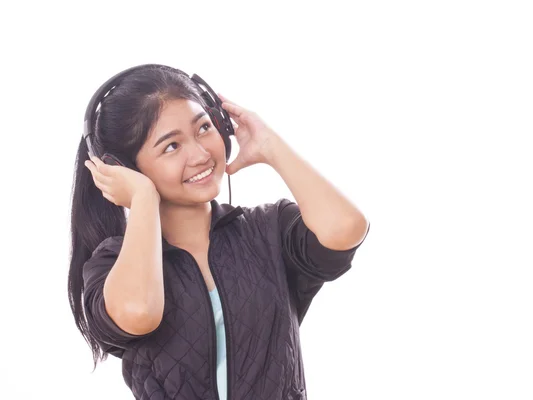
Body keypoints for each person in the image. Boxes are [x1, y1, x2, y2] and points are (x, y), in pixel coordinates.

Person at [67, 64, 370, 400]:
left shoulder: (268, 230)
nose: (200, 154)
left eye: (204, 128)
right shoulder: (112, 264)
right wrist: (142, 199)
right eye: (171, 146)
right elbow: (139, 312)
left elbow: (347, 228)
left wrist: (270, 145)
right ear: (123, 170)